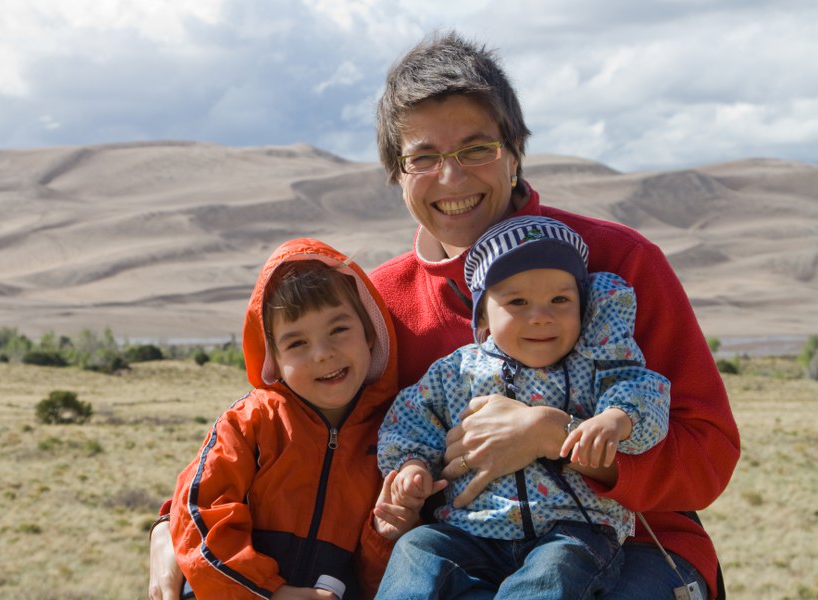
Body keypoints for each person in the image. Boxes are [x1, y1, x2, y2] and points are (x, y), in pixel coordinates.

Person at [150, 31, 739, 600]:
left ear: (514, 153)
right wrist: (168, 522)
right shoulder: (378, 306)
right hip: (457, 550)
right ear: (396, 174)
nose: (452, 177)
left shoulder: (619, 263)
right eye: (423, 156)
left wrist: (554, 436)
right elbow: (296, 431)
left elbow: (707, 456)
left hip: (633, 543)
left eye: (476, 149)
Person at [374, 215, 671, 598]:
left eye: (560, 300)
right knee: (418, 549)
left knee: (554, 571)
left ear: (583, 305)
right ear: (482, 316)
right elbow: (410, 420)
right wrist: (411, 466)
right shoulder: (457, 371)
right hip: (470, 530)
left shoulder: (596, 363)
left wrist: (618, 419)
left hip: (572, 531)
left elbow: (644, 390)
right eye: (517, 301)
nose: (541, 315)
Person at [168, 238, 418, 599]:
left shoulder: (393, 436)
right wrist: (274, 593)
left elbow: (375, 580)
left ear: (369, 332)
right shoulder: (249, 423)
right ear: (273, 357)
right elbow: (198, 516)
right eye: (297, 343)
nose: (322, 354)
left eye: (338, 329)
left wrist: (387, 532)